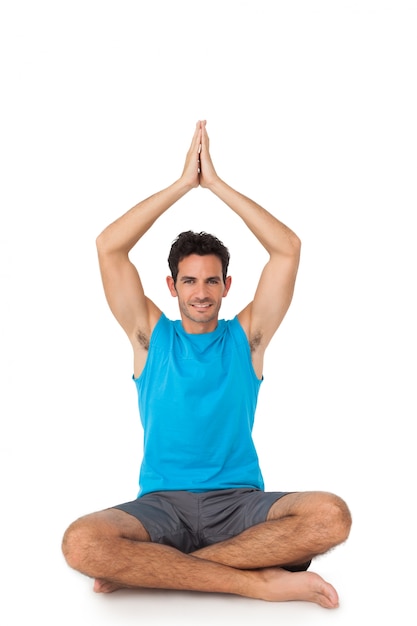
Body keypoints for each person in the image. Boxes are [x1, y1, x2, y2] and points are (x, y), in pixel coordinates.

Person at [62, 120, 351, 609]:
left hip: (238, 503)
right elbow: (108, 247)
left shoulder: (248, 339)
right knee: (80, 542)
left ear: (226, 286)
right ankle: (254, 580)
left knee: (332, 516)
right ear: (172, 286)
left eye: (211, 281)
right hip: (160, 507)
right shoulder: (150, 338)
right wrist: (181, 185)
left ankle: (155, 571)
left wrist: (215, 185)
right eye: (190, 281)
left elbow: (288, 248)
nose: (201, 292)